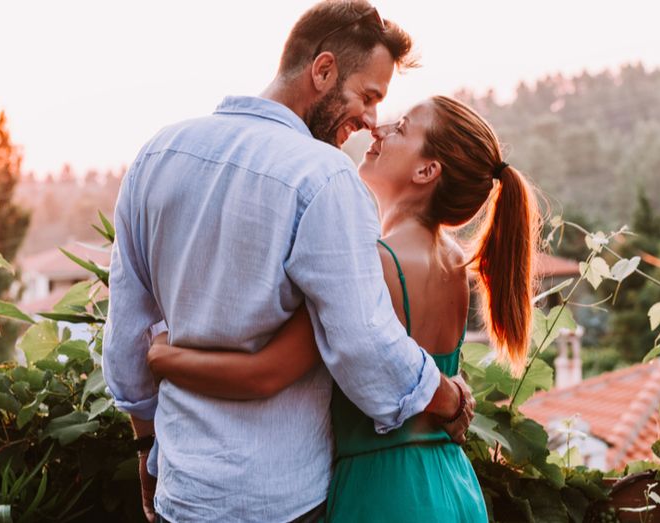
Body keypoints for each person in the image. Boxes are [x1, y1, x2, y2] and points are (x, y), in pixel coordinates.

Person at [102, 2, 473, 522]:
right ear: (322, 70)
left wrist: (146, 453)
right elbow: (363, 344)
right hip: (282, 500)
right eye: (368, 97)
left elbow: (126, 338)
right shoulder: (324, 178)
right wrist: (449, 399)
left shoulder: (157, 155)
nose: (370, 122)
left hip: (181, 494)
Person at [149, 95, 541, 521]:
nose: (380, 129)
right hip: (453, 486)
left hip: (385, 495)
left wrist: (163, 355)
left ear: (427, 171)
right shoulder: (451, 263)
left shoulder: (370, 264)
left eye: (403, 128)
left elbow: (264, 373)